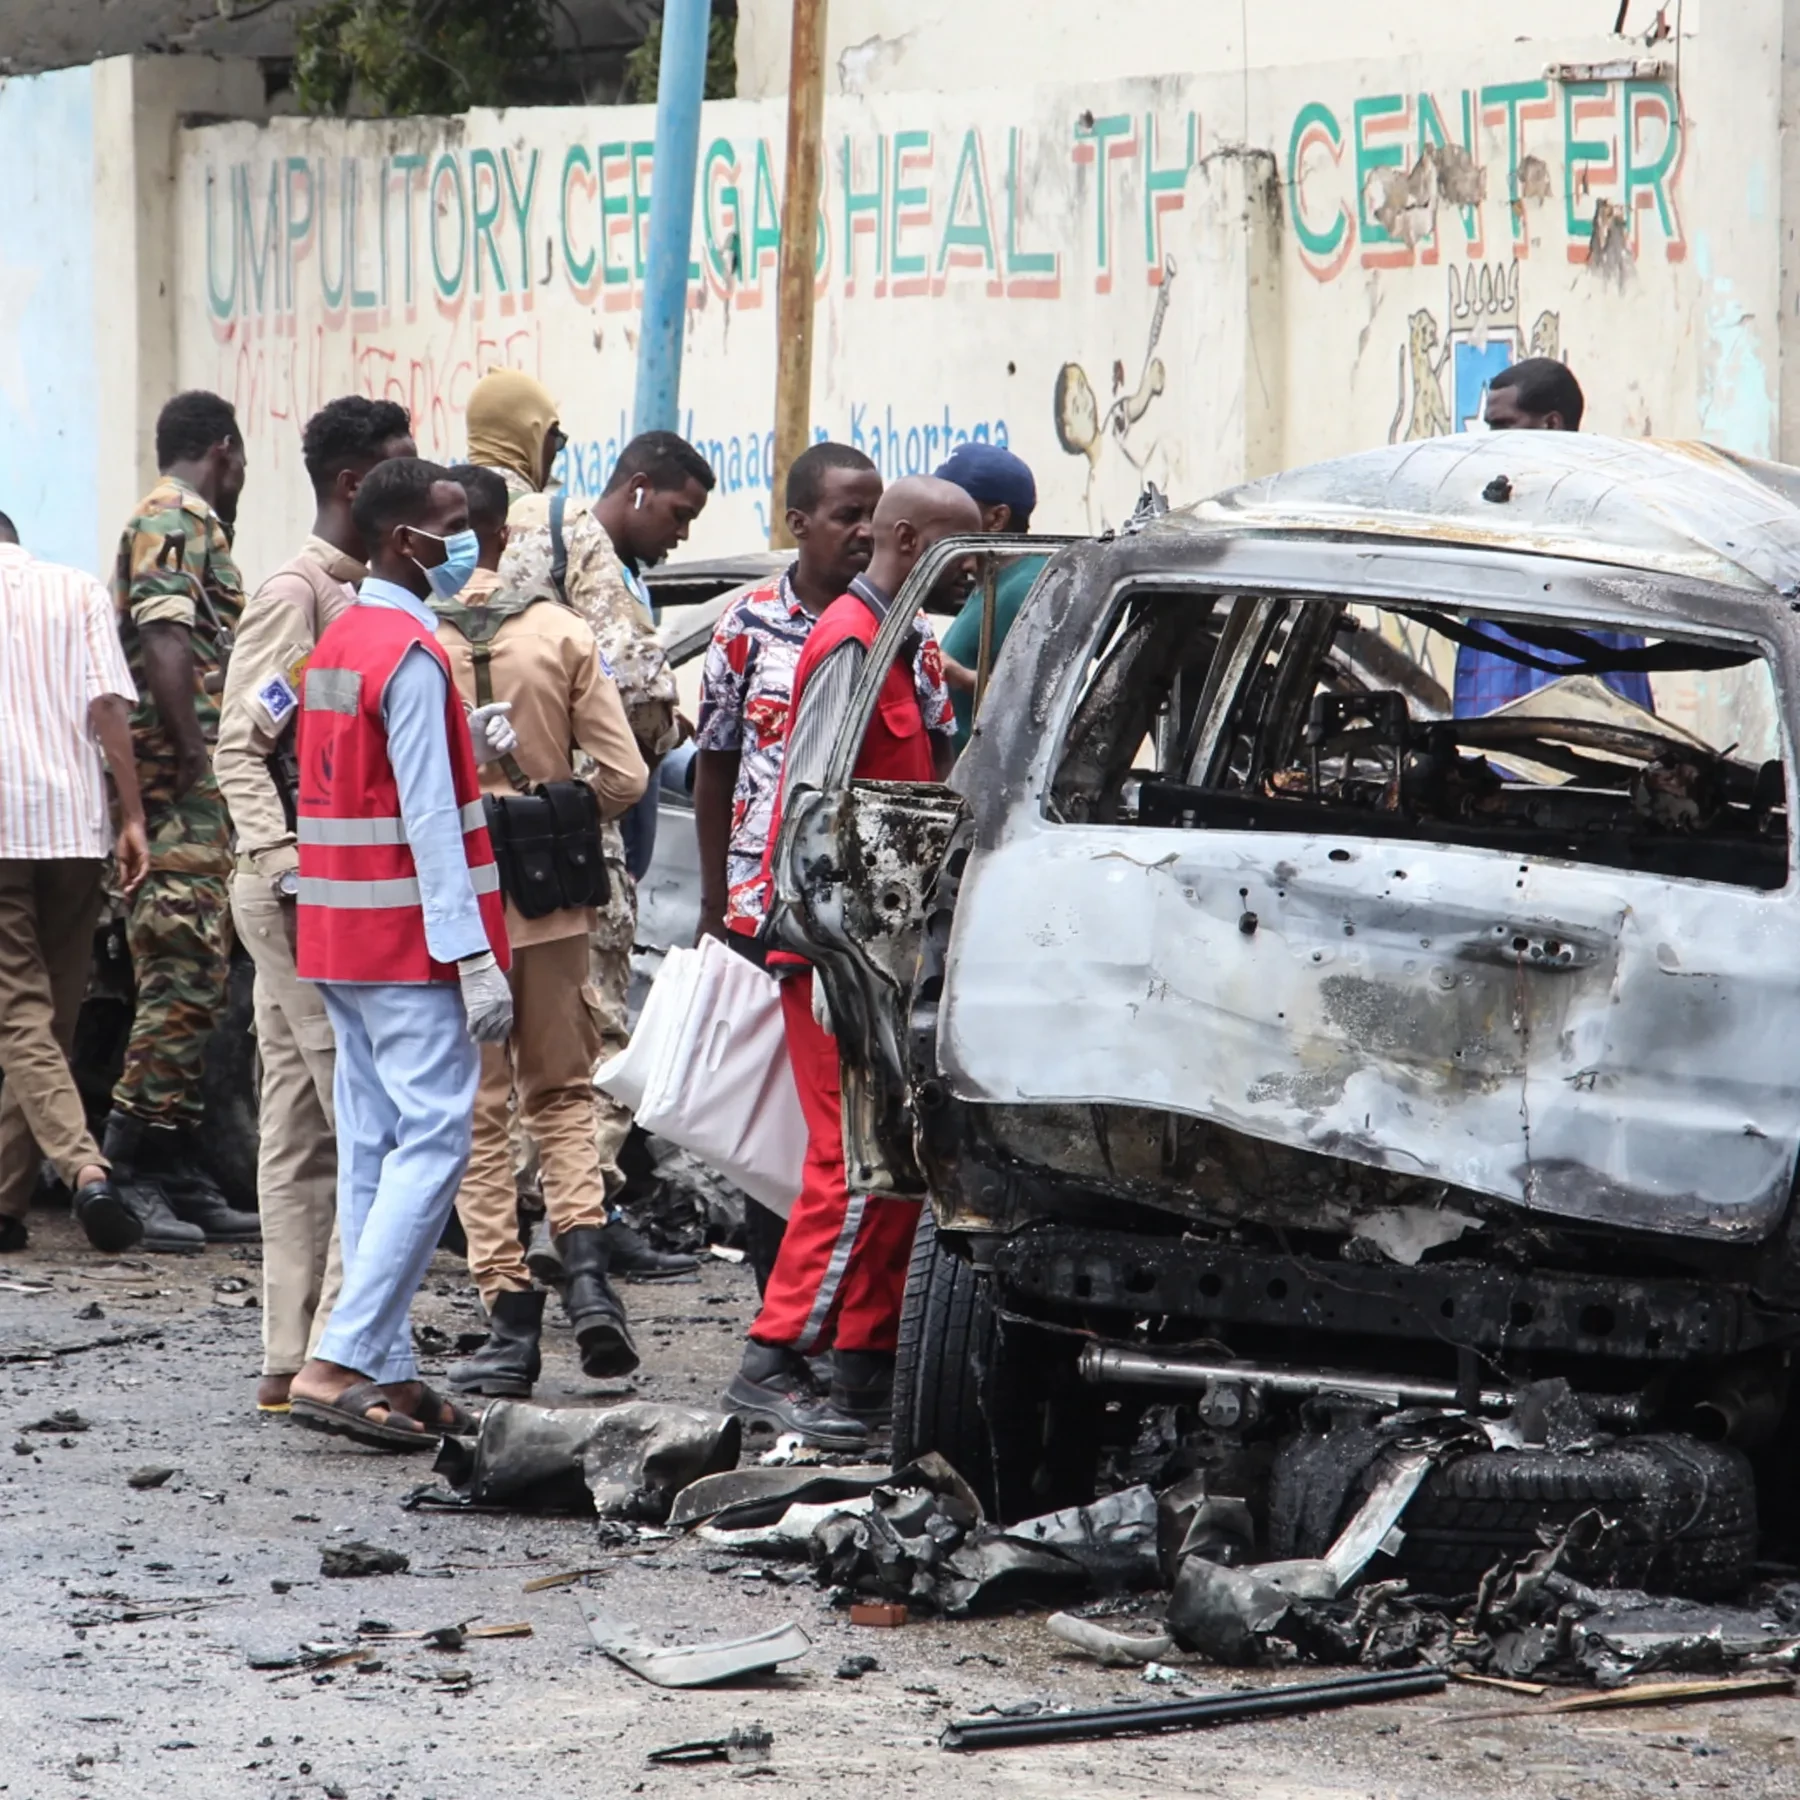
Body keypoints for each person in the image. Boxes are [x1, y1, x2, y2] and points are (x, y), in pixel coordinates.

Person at [724, 475, 978, 1447]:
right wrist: (834, 948)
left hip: (875, 943)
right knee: (853, 1167)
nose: (963, 581)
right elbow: (814, 802)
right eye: (954, 556)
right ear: (908, 541)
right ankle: (778, 1355)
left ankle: (853, 1374)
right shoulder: (849, 643)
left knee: (884, 1163)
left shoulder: (897, 643)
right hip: (842, 946)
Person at [285, 457, 520, 1450]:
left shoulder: (344, 638)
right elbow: (428, 817)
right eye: (452, 525)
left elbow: (345, 779)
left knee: (376, 1145)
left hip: (339, 935)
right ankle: (338, 1360)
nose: (466, 540)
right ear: (402, 543)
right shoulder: (415, 655)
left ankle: (384, 1366)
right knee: (434, 1142)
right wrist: (473, 957)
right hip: (407, 943)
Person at [476, 383, 715, 1272]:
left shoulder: (469, 538)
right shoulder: (572, 532)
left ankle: (502, 1226)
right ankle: (583, 1225)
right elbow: (647, 692)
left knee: (496, 1058)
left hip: (480, 836)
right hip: (570, 839)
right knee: (593, 1037)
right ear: (641, 489)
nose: (682, 534)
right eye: (680, 513)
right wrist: (646, 749)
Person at [432, 465, 652, 1397]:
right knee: (562, 1093)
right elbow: (629, 776)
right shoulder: (562, 631)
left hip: (455, 906)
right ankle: (591, 1284)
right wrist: (559, 811)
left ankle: (509, 1320)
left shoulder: (418, 644)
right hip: (555, 901)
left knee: (480, 1116)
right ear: (504, 536)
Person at [215, 395, 416, 1413]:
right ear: (356, 487)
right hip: (300, 897)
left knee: (297, 1126)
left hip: (304, 891)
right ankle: (353, 1352)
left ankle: (286, 1359)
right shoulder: (301, 598)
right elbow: (239, 745)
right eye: (405, 474)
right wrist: (284, 856)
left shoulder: (354, 596)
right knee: (362, 1120)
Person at [693, 442, 884, 1293]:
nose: (866, 530)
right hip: (757, 901)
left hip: (856, 917)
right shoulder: (746, 628)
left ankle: (815, 1294)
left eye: (875, 513)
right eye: (849, 514)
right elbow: (717, 763)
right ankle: (780, 1283)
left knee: (841, 1120)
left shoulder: (896, 629)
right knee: (773, 1106)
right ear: (800, 524)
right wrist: (713, 900)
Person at [102, 391, 260, 1251]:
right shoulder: (177, 517)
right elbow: (165, 640)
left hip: (185, 792)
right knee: (179, 979)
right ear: (224, 451)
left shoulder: (181, 520)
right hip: (176, 795)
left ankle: (177, 1166)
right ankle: (131, 1169)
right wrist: (200, 760)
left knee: (200, 978)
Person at [0, 511, 150, 1254]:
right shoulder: (77, 588)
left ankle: (86, 1169)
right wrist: (132, 816)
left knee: (20, 1015)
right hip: (70, 823)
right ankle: (4, 1202)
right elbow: (107, 709)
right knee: (49, 1018)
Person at [1457, 360, 1653, 715]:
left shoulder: (1601, 509)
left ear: (1551, 424)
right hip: (1496, 697)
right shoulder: (1495, 502)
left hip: (1582, 701)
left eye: (1503, 426)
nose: (1490, 441)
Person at [933, 443, 1048, 751]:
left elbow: (1041, 703)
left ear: (997, 518)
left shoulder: (1031, 586)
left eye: (955, 504)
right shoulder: (990, 579)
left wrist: (959, 676)